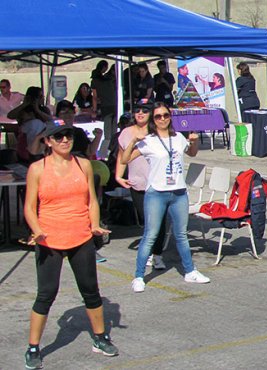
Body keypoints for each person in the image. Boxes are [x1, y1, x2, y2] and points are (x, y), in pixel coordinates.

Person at [23, 122, 118, 369]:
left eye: (68, 135)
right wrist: (37, 231)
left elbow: (91, 201)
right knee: (46, 294)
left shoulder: (83, 164)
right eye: (59, 137)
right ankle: (33, 347)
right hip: (49, 240)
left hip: (81, 237)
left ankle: (100, 337)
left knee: (90, 290)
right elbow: (30, 208)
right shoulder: (37, 169)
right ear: (48, 141)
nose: (65, 140)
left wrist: (95, 225)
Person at [121, 102, 210, 292]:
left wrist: (194, 141)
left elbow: (192, 153)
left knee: (181, 234)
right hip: (156, 193)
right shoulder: (148, 140)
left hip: (178, 192)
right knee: (150, 235)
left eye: (165, 115)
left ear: (170, 117)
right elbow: (124, 159)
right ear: (153, 120)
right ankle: (138, 276)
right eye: (158, 116)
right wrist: (132, 142)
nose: (162, 119)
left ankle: (190, 271)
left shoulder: (178, 137)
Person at [115, 102, 168, 270]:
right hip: (137, 184)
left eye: (145, 111)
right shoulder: (125, 133)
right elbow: (122, 155)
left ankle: (157, 255)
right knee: (147, 222)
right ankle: (151, 252)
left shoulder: (158, 131)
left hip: (158, 184)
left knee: (159, 222)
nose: (140, 113)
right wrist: (118, 176)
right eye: (137, 110)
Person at [29, 100, 103, 160]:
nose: (67, 115)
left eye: (70, 112)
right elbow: (34, 151)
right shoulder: (51, 132)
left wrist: (98, 136)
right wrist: (39, 136)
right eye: (64, 112)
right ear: (57, 116)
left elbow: (90, 151)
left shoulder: (78, 132)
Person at [91, 60, 117, 155]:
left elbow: (94, 97)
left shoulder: (94, 81)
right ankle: (113, 150)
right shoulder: (110, 79)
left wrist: (94, 110)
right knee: (114, 132)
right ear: (104, 68)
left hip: (105, 107)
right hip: (114, 105)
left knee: (107, 133)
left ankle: (104, 153)